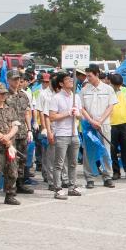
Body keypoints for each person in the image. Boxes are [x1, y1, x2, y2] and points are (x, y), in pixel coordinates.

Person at [45, 71, 83, 199]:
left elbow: (80, 116)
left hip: (74, 133)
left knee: (73, 163)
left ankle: (72, 186)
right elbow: (52, 116)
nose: (71, 81)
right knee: (59, 163)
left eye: (71, 79)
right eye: (68, 80)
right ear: (61, 83)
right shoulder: (56, 98)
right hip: (61, 134)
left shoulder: (76, 97)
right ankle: (58, 188)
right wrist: (68, 113)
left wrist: (77, 113)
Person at [78, 65, 118, 189]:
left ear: (97, 74)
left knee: (105, 150)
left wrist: (100, 121)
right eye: (87, 75)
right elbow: (81, 108)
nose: (87, 78)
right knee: (88, 151)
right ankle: (89, 178)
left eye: (90, 75)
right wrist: (91, 121)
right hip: (89, 126)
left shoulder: (108, 89)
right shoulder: (84, 90)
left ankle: (107, 177)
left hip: (103, 125)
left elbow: (111, 106)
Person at [106, 72, 126, 181]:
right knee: (113, 150)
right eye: (116, 85)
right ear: (111, 82)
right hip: (111, 124)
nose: (118, 87)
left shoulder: (124, 90)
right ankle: (116, 171)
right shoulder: (107, 91)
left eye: (120, 85)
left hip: (124, 124)